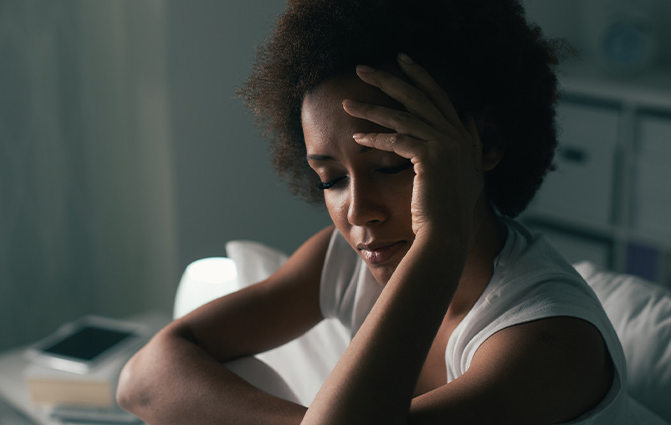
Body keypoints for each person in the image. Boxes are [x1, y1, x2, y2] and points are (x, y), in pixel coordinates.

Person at [116, 0, 634, 423]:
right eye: (333, 179)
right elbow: (141, 378)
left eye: (390, 166)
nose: (359, 212)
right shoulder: (343, 262)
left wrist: (440, 239)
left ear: (487, 143)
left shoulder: (549, 342)